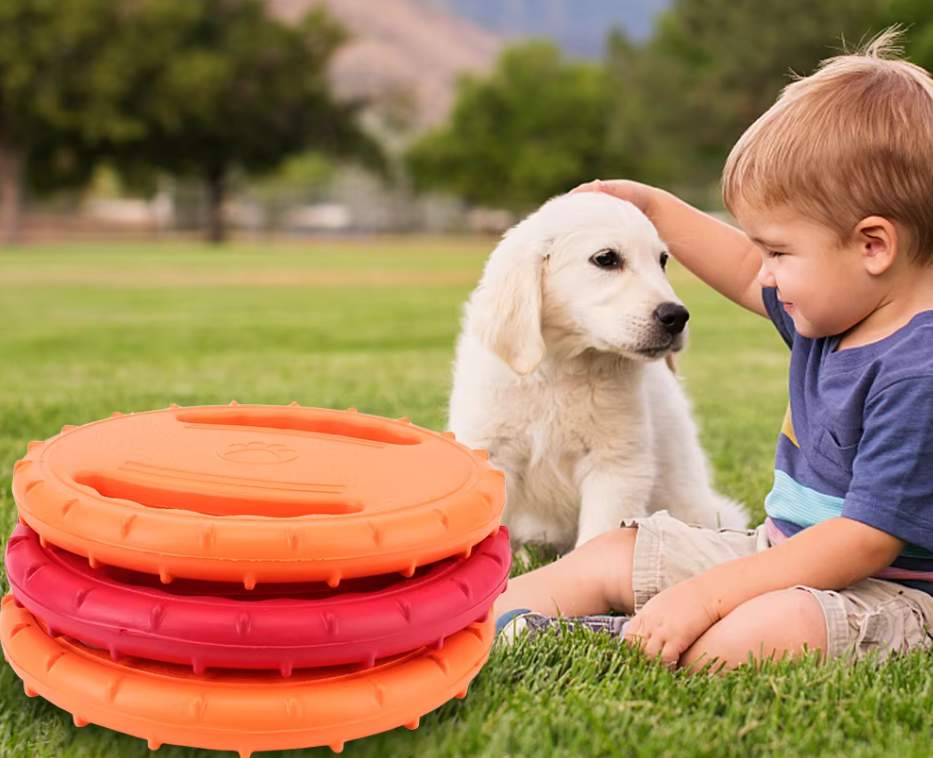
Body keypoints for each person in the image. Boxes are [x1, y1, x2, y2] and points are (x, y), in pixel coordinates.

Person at [492, 30, 933, 671]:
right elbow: (741, 268)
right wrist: (650, 206)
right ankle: (469, 619)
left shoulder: (918, 372)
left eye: (778, 251)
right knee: (610, 555)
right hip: (779, 554)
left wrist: (708, 596)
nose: (766, 273)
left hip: (891, 593)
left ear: (873, 246)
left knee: (764, 628)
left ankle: (601, 638)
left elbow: (863, 543)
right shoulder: (839, 310)